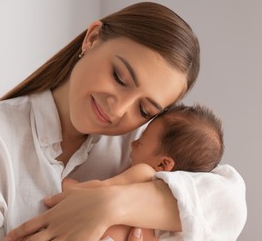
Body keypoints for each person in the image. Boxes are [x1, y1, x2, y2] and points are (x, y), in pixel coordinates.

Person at [0, 2, 246, 241]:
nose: (119, 110)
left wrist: (110, 204)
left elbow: (228, 204)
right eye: (119, 77)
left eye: (145, 110)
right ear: (92, 39)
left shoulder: (137, 150)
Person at [61, 103, 224, 241]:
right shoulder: (181, 212)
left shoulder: (144, 173)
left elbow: (100, 191)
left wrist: (69, 186)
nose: (133, 143)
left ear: (163, 164)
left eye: (140, 142)